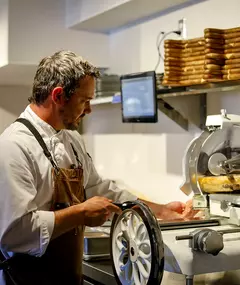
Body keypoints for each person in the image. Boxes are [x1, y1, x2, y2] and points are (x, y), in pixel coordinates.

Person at [0, 50, 197, 285]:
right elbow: (14, 233)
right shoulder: (13, 146)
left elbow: (99, 188)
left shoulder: (71, 141)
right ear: (59, 96)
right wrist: (79, 213)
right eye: (85, 100)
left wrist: (159, 211)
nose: (89, 109)